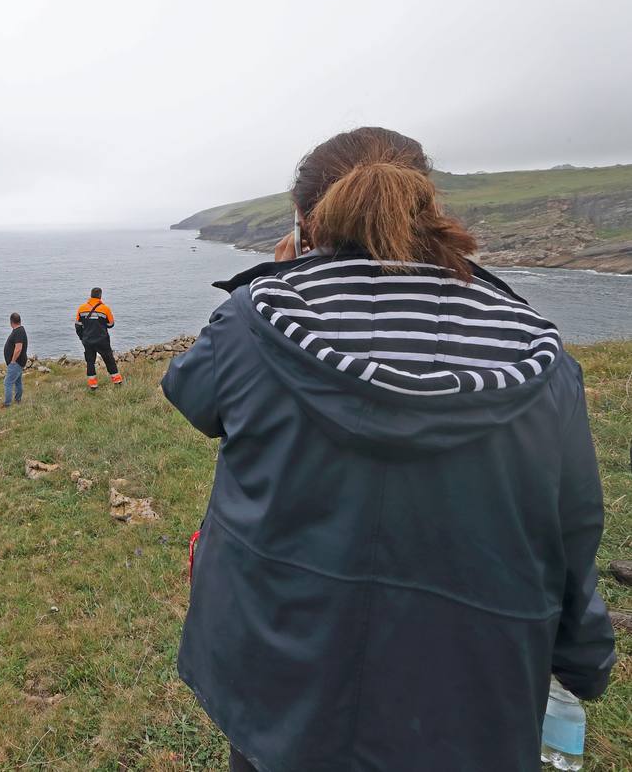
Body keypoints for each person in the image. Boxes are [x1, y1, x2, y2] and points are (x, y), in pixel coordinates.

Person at [161, 127, 615, 771]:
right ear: (427, 207)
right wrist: (583, 660)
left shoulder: (253, 319)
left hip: (280, 683)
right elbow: (572, 533)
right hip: (472, 694)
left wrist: (286, 275)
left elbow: (190, 391)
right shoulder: (536, 349)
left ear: (305, 221)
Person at [75, 287, 122, 390]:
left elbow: (78, 326)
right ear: (100, 295)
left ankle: (93, 386)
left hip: (87, 340)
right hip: (102, 340)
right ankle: (117, 382)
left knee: (90, 362)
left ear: (91, 295)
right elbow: (111, 324)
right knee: (109, 360)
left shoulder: (81, 308)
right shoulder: (105, 308)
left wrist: (82, 338)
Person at [3, 312, 28, 407]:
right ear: (19, 320)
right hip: (19, 361)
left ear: (11, 322)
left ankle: (7, 404)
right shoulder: (19, 330)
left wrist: (13, 361)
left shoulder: (19, 332)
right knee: (17, 381)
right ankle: (18, 400)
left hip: (16, 362)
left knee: (8, 382)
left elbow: (18, 348)